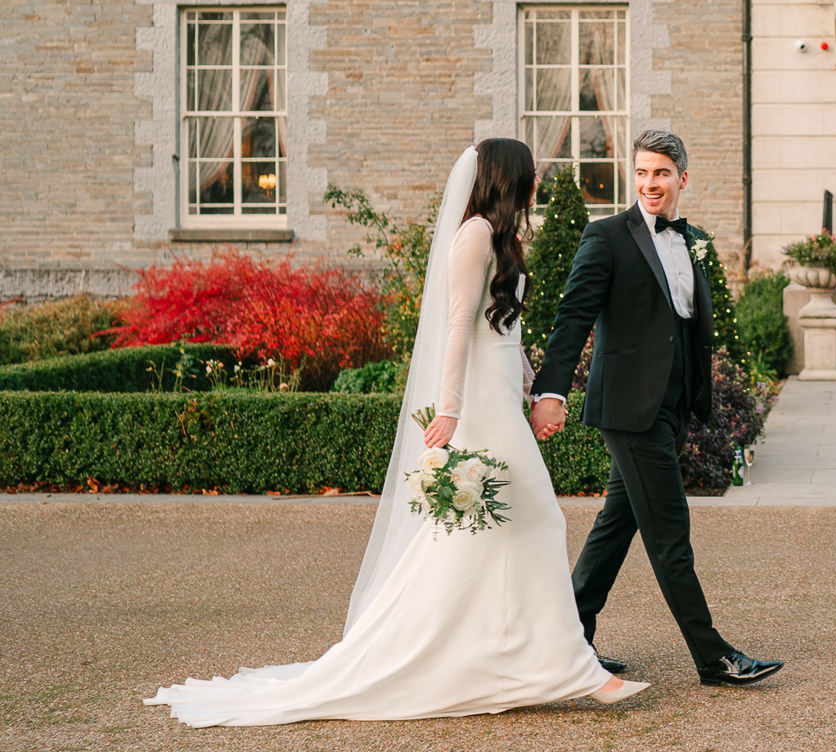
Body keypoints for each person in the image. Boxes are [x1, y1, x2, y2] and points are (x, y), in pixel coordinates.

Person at [146, 140, 648, 727]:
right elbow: (458, 325)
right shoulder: (475, 236)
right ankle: (571, 667)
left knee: (493, 532)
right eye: (532, 175)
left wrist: (535, 389)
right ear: (512, 180)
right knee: (534, 518)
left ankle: (518, 658)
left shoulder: (502, 239)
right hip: (478, 407)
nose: (538, 183)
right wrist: (453, 410)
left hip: (500, 401)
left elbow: (502, 331)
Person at [531, 129, 782, 687]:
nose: (650, 183)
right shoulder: (606, 238)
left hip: (670, 407)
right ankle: (712, 655)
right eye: (642, 172)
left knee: (615, 526)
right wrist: (551, 392)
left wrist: (697, 398)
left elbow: (691, 328)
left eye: (662, 173)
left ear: (682, 179)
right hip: (628, 407)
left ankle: (565, 642)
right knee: (671, 531)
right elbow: (573, 319)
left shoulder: (694, 240)